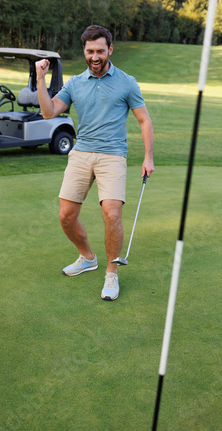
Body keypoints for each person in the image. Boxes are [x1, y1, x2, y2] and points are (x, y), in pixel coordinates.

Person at [36, 25, 154, 301]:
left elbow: (144, 120)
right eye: (90, 51)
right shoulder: (75, 83)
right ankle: (87, 257)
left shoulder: (126, 82)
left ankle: (111, 273)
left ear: (110, 50)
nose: (95, 56)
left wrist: (148, 157)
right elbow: (48, 111)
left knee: (112, 214)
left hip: (113, 155)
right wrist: (40, 79)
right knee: (66, 216)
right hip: (81, 154)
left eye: (100, 50)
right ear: (85, 52)